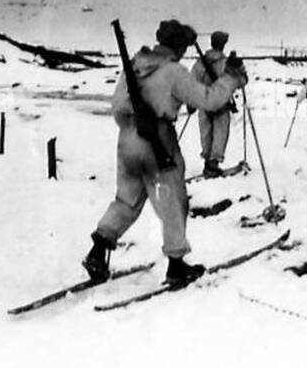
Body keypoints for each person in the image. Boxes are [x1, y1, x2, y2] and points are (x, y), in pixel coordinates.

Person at [84, 19, 248, 286]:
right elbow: (208, 99)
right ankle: (176, 265)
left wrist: (132, 128)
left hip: (127, 138)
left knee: (126, 201)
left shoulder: (133, 65)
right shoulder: (174, 71)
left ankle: (98, 249)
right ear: (179, 46)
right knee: (173, 202)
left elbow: (116, 106)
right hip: (158, 138)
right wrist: (231, 79)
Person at [190, 30, 236, 177]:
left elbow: (191, 82)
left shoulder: (199, 62)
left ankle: (207, 163)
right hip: (220, 103)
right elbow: (235, 81)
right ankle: (213, 163)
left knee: (206, 133)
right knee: (220, 133)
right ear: (223, 44)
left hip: (203, 102)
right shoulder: (225, 62)